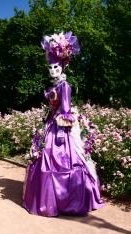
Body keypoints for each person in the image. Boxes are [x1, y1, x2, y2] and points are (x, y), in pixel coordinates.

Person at [23, 31, 105, 216]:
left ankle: (68, 200)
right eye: (50, 68)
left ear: (62, 68)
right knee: (45, 159)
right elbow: (53, 108)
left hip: (62, 127)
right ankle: (48, 201)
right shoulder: (54, 86)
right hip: (52, 123)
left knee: (65, 160)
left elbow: (66, 111)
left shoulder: (64, 86)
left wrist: (61, 130)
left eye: (56, 68)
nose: (52, 71)